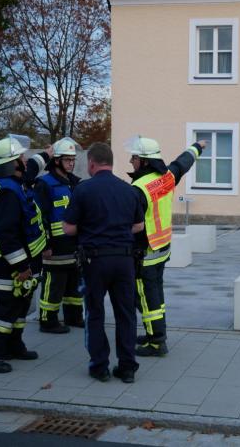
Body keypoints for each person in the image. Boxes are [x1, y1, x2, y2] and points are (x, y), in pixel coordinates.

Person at [62, 142, 145, 383]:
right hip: (124, 260)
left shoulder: (83, 190)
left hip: (94, 260)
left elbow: (68, 228)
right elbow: (139, 225)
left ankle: (100, 367)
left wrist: (92, 228)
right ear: (111, 162)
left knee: (95, 313)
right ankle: (127, 367)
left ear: (91, 163)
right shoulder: (128, 189)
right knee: (126, 314)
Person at [125, 136, 206, 357]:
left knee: (145, 296)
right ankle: (155, 333)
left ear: (144, 161)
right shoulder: (168, 177)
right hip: (162, 249)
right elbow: (183, 162)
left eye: (134, 157)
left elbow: (134, 224)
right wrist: (197, 147)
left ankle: (157, 343)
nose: (131, 161)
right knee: (155, 295)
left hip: (146, 252)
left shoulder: (139, 188)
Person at [0, 136, 53, 373]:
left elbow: (33, 167)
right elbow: (6, 235)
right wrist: (22, 266)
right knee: (6, 307)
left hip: (22, 259)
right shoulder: (8, 192)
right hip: (9, 262)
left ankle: (14, 345)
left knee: (21, 304)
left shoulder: (13, 180)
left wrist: (48, 154)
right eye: (21, 157)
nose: (25, 160)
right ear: (13, 163)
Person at [34, 137, 85, 334]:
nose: (71, 163)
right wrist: (45, 244)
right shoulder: (44, 184)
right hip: (54, 246)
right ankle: (47, 320)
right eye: (67, 159)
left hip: (73, 245)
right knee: (54, 284)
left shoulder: (76, 183)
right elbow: (40, 216)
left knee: (74, 283)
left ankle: (74, 317)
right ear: (56, 161)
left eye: (73, 159)